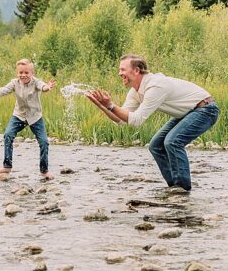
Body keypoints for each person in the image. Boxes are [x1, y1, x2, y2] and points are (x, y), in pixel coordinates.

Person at [85, 55, 218, 193]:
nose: (120, 73)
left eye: (123, 69)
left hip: (205, 109)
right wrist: (102, 105)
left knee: (172, 141)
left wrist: (111, 105)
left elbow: (136, 120)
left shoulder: (155, 85)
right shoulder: (135, 92)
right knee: (156, 145)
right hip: (187, 112)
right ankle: (174, 187)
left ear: (136, 70)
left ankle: (182, 188)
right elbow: (120, 120)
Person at [0, 59, 56, 180]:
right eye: (21, 72)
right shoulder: (14, 83)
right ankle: (7, 166)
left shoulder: (36, 82)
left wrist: (48, 87)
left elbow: (43, 87)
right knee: (8, 134)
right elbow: (1, 92)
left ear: (32, 73)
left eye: (26, 72)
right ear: (17, 73)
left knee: (44, 142)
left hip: (35, 117)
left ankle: (44, 170)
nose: (23, 75)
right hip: (19, 115)